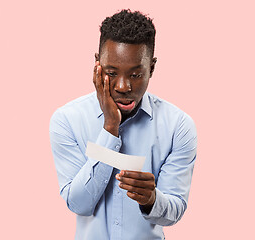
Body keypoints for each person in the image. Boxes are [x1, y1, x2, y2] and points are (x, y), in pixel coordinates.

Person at [50, 9, 197, 240]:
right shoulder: (67, 120)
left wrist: (151, 200)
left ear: (152, 68)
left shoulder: (178, 126)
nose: (123, 87)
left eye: (136, 75)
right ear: (97, 65)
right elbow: (78, 204)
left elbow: (175, 209)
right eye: (111, 72)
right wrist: (110, 128)